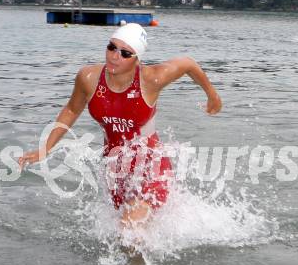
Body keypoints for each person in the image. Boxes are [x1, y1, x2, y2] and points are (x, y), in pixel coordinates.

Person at [18, 23, 222, 228]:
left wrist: (212, 96)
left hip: (150, 164)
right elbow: (72, 110)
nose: (115, 56)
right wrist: (45, 149)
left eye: (125, 53)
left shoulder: (151, 79)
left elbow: (187, 64)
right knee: (126, 236)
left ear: (136, 59)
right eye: (111, 47)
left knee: (129, 227)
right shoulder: (88, 78)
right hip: (115, 168)